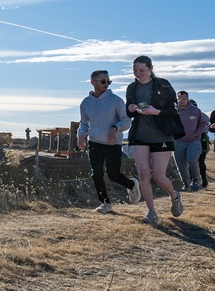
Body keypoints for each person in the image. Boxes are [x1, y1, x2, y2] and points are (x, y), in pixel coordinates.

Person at [125, 55, 184, 223]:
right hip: (139, 135)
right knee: (143, 174)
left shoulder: (163, 85)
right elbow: (128, 111)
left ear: (150, 68)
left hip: (161, 135)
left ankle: (174, 195)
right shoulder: (131, 88)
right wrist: (130, 108)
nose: (138, 74)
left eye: (141, 70)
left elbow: (174, 111)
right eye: (135, 70)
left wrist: (155, 111)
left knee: (158, 176)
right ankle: (151, 212)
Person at [77, 70, 139, 213]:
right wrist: (81, 136)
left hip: (113, 144)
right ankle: (105, 203)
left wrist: (115, 128)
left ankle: (131, 184)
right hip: (94, 143)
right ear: (93, 82)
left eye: (108, 81)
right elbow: (84, 123)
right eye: (103, 81)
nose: (106, 84)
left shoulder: (116, 100)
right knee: (96, 174)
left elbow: (126, 120)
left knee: (113, 175)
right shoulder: (85, 103)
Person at [172, 91, 209, 192]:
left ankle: (196, 179)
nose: (181, 101)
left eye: (183, 99)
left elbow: (203, 124)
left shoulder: (195, 111)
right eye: (179, 99)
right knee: (181, 165)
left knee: (192, 160)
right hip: (178, 141)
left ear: (187, 99)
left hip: (193, 141)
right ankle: (186, 183)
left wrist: (196, 133)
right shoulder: (173, 111)